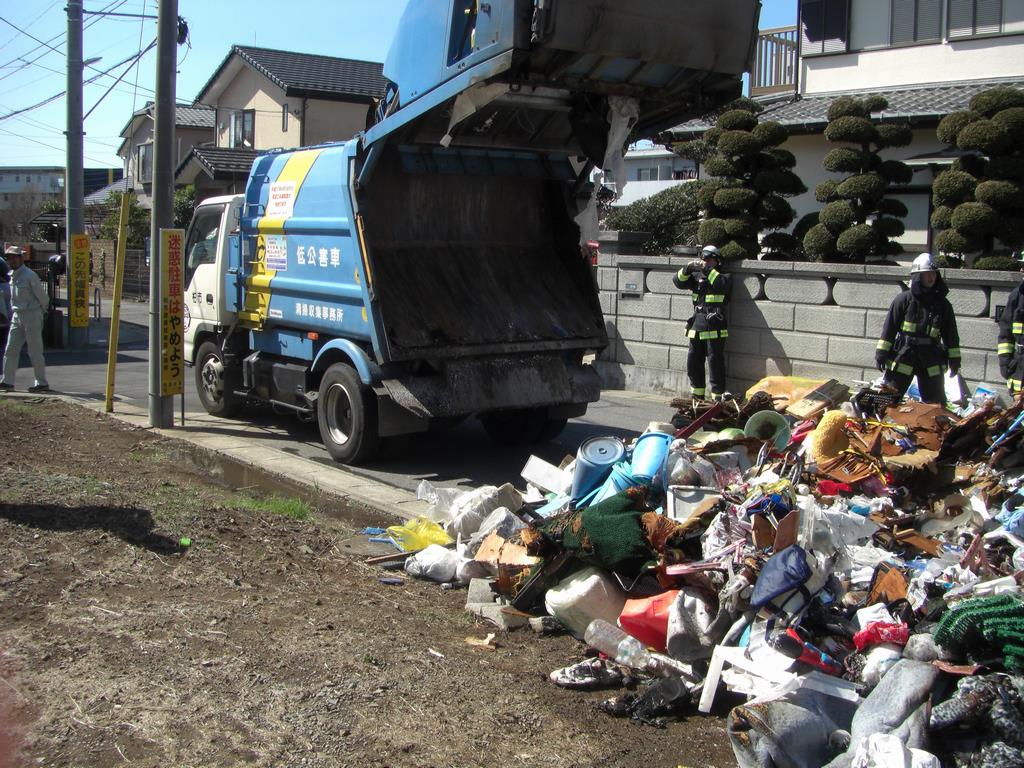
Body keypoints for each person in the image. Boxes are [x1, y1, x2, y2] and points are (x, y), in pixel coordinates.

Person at [874, 253, 960, 405]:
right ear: (917, 276)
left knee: (935, 405)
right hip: (905, 355)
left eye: (933, 273)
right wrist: (881, 353)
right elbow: (889, 328)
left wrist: (954, 360)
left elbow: (951, 335)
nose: (931, 278)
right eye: (927, 274)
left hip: (931, 358)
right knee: (887, 400)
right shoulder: (903, 300)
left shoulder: (943, 304)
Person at [673, 244, 731, 400]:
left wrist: (707, 270)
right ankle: (697, 396)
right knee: (693, 362)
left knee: (715, 363)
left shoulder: (724, 277)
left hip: (714, 326)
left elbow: (720, 285)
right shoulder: (696, 277)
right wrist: (687, 268)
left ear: (717, 261)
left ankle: (717, 397)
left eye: (709, 259)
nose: (705, 262)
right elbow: (678, 282)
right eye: (703, 259)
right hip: (697, 325)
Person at [0, 245, 50, 393]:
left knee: (34, 351)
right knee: (10, 349)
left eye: (14, 257)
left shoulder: (29, 275)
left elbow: (43, 297)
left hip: (32, 314)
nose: (12, 260)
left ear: (21, 258)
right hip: (17, 315)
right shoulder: (12, 275)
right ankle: (7, 381)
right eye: (9, 258)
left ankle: (41, 383)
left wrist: (41, 312)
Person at [997, 251, 1024, 395]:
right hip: (1019, 368)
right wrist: (1005, 363)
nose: (1021, 270)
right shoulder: (1017, 296)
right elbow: (1005, 334)